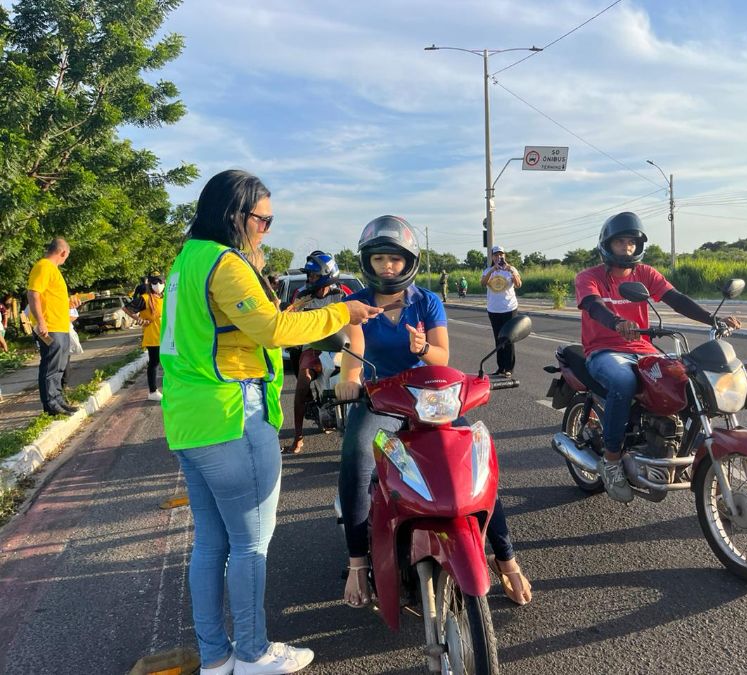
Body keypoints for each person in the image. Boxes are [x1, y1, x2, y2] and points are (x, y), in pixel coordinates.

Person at [159, 170, 381, 675]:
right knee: (250, 545)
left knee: (212, 545)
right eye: (263, 219)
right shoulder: (225, 262)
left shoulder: (185, 261)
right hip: (232, 414)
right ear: (235, 215)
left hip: (189, 418)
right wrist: (341, 313)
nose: (266, 229)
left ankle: (216, 657)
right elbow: (275, 328)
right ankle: (254, 652)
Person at [336, 215, 532, 609]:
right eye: (379, 260)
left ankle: (506, 558)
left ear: (408, 261)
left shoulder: (427, 301)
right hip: (379, 397)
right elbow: (351, 353)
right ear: (367, 263)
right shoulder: (355, 305)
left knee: (474, 466)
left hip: (430, 397)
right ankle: (358, 563)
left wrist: (422, 349)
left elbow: (443, 356)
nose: (387, 267)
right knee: (357, 458)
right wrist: (350, 380)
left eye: (394, 259)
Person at [575, 212, 741, 503]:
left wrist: (712, 320)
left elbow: (675, 299)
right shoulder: (589, 277)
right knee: (624, 382)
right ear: (607, 244)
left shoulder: (646, 274)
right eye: (620, 242)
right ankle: (611, 460)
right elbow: (594, 306)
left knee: (689, 382)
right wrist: (616, 323)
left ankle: (673, 449)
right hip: (604, 351)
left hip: (643, 351)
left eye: (631, 242)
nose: (626, 248)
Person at [282, 251, 350, 454]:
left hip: (341, 346)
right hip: (313, 347)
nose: (309, 279)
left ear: (326, 276)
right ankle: (297, 438)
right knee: (303, 380)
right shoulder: (303, 296)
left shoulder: (342, 294)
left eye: (313, 275)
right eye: (309, 275)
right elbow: (292, 318)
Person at [26, 238, 80, 415]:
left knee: (59, 366)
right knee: (50, 366)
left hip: (61, 326)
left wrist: (69, 303)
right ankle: (50, 404)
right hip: (50, 327)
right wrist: (41, 322)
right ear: (63, 253)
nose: (66, 259)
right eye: (67, 256)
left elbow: (53, 299)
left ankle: (58, 400)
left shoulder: (54, 271)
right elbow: (33, 294)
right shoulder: (43, 266)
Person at [480, 245, 522, 377]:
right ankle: (500, 367)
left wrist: (511, 271)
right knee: (498, 339)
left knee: (509, 338)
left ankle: (509, 368)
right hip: (494, 309)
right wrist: (493, 269)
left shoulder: (511, 269)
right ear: (492, 257)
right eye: (496, 255)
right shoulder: (488, 270)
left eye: (501, 255)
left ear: (504, 256)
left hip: (509, 308)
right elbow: (483, 283)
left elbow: (518, 284)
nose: (499, 257)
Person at [125, 272, 165, 401]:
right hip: (153, 335)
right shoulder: (145, 298)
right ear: (150, 284)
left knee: (169, 363)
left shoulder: (163, 298)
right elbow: (127, 309)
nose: (157, 285)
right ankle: (153, 391)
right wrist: (139, 320)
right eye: (154, 283)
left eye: (160, 282)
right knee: (154, 363)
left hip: (165, 335)